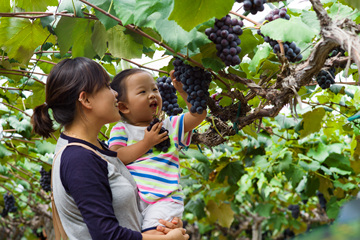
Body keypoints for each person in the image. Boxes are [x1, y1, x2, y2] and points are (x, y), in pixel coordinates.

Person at [31, 57, 189, 240]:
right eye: (106, 86)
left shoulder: (95, 149)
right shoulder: (79, 159)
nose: (115, 93)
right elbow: (106, 235)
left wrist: (161, 226)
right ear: (86, 100)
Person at [108, 68, 207, 234]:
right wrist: (147, 143)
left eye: (155, 89)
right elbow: (117, 157)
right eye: (142, 91)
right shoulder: (121, 129)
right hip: (133, 202)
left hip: (164, 199)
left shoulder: (169, 126)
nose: (152, 94)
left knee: (152, 236)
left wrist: (183, 90)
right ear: (124, 107)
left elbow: (198, 115)